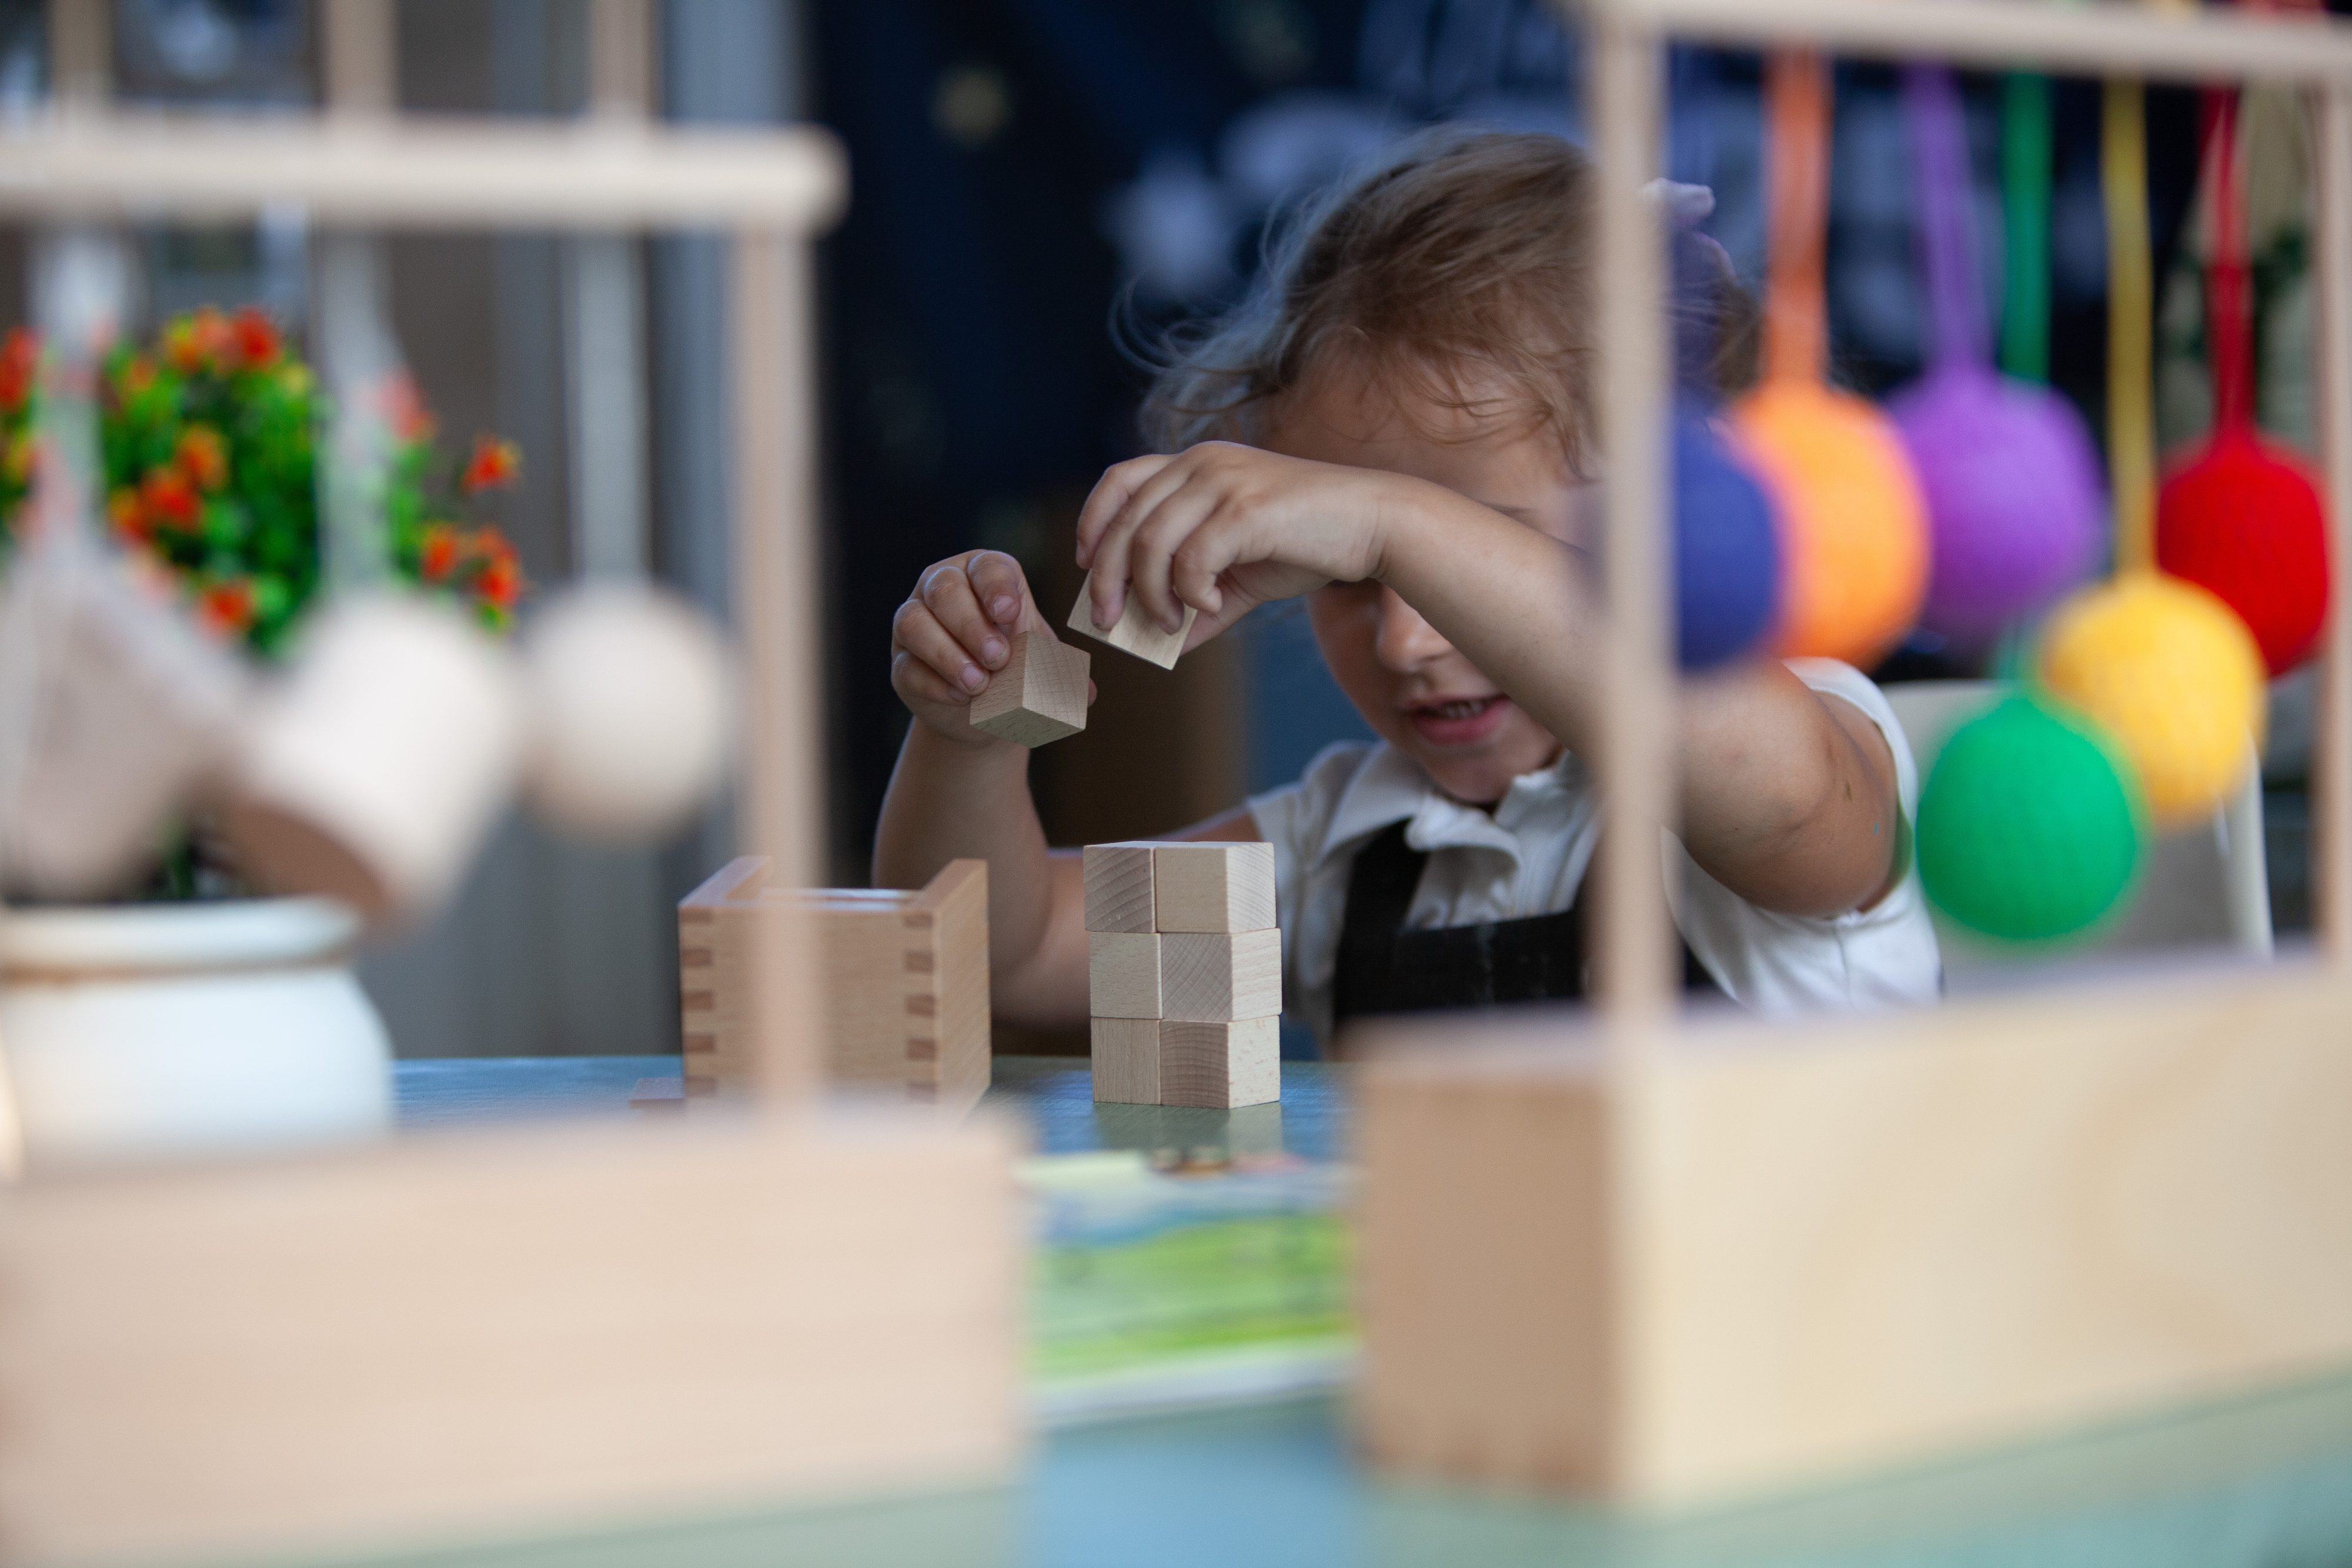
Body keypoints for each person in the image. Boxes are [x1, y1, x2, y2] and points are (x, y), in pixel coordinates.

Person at [874, 129, 1939, 1054]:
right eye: (1350, 581)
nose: (1405, 642)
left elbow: (1781, 800)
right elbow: (1002, 958)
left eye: (1467, 547)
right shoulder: (1346, 844)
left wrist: (1390, 522)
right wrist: (974, 730)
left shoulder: (1792, 735)